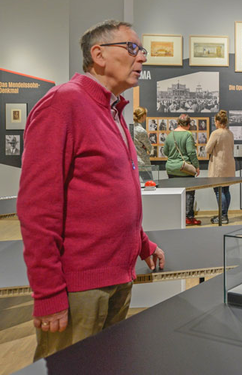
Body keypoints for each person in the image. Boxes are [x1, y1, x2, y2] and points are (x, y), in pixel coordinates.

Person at [17, 19, 165, 361]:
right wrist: (49, 293)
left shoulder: (112, 110)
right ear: (98, 54)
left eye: (141, 50)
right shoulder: (64, 103)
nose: (141, 58)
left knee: (107, 366)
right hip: (79, 288)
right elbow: (37, 209)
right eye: (132, 48)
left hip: (116, 277)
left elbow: (109, 193)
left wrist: (143, 243)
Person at [164, 113, 201, 225]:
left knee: (174, 192)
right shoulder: (188, 135)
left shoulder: (170, 135)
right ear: (189, 124)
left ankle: (175, 216)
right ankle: (188, 217)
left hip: (171, 168)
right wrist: (196, 166)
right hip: (184, 168)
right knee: (189, 193)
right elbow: (191, 152)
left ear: (177, 123)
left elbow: (165, 151)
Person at [205, 110, 235, 224]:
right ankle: (224, 215)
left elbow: (208, 149)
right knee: (226, 190)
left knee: (218, 190)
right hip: (228, 165)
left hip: (218, 165)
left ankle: (222, 216)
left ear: (217, 121)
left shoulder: (216, 133)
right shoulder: (230, 133)